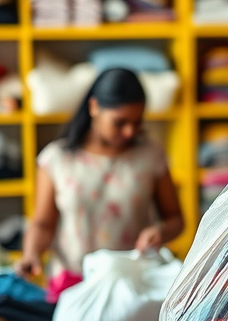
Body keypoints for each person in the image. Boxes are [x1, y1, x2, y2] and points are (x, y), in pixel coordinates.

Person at [17, 68, 183, 296]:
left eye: (137, 122)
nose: (129, 131)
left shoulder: (151, 156)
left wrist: (160, 232)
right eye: (120, 122)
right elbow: (43, 224)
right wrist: (31, 253)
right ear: (94, 107)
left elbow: (175, 219)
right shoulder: (56, 159)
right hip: (74, 284)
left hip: (133, 284)